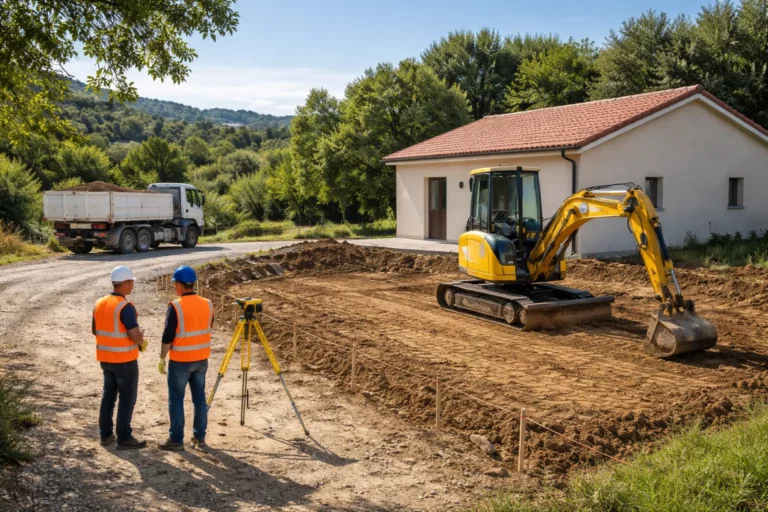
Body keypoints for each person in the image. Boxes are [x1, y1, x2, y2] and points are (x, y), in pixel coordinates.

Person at [158, 266, 213, 451]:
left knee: (176, 399)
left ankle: (176, 440)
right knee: (199, 398)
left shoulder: (175, 306)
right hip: (201, 359)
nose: (175, 287)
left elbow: (167, 336)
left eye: (175, 284)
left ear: (181, 285)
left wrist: (162, 358)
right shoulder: (208, 303)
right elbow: (207, 326)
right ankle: (200, 437)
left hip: (181, 360)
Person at [93, 265, 148, 450]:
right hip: (124, 361)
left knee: (108, 396)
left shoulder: (99, 303)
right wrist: (141, 338)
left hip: (105, 359)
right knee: (127, 398)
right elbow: (134, 335)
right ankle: (124, 437)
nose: (132, 286)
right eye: (131, 283)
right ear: (124, 284)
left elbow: (96, 330)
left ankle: (106, 435)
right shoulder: (125, 307)